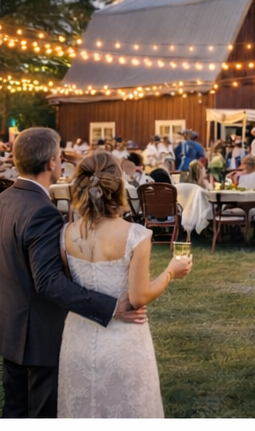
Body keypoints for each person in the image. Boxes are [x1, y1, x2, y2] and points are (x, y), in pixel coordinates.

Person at [0, 127, 146, 418]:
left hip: (10, 328)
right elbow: (49, 281)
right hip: (40, 335)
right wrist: (110, 306)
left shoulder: (4, 200)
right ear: (52, 162)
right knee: (41, 415)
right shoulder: (42, 212)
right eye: (59, 156)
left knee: (14, 410)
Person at [56, 152, 192, 418]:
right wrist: (170, 272)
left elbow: (71, 288)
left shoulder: (65, 234)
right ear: (118, 186)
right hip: (124, 342)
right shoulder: (136, 235)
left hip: (78, 340)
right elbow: (139, 297)